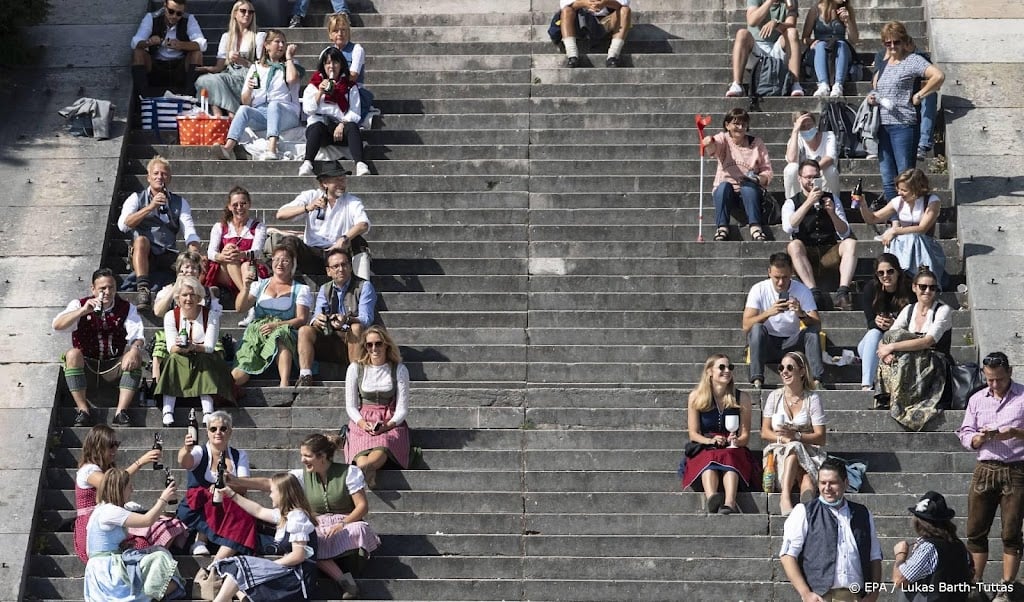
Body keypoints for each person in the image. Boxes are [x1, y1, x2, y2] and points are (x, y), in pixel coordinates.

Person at [229, 433, 380, 599]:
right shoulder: (302, 476)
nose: (302, 460)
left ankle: (343, 573)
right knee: (312, 539)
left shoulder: (349, 472)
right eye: (302, 455)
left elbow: (362, 507)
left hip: (347, 523)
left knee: (358, 529)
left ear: (322, 456)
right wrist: (236, 481)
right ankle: (345, 581)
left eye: (307, 456)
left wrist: (342, 524)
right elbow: (271, 483)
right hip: (318, 524)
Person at [958, 351, 1024, 597]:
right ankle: (975, 583)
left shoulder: (1022, 396)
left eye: (999, 379)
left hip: (1016, 468)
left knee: (1011, 531)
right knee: (975, 529)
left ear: (1009, 373)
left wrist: (1015, 433)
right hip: (985, 467)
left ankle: (1006, 587)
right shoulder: (977, 399)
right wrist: (977, 438)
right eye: (989, 380)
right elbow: (965, 431)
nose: (994, 385)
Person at [74, 425, 187, 564]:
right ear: (98, 446)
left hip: (112, 523)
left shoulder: (105, 470)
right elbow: (114, 484)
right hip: (93, 530)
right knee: (145, 540)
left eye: (117, 444)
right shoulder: (88, 470)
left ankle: (153, 566)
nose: (115, 449)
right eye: (111, 445)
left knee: (167, 524)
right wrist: (140, 462)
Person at [779, 457, 883, 602]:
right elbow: (787, 556)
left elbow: (875, 557)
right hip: (821, 596)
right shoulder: (803, 511)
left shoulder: (863, 513)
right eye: (822, 482)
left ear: (846, 483)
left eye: (832, 483)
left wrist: (873, 593)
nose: (826, 488)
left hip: (856, 596)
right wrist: (806, 593)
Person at [53, 268, 147, 427]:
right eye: (102, 288)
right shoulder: (79, 304)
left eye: (111, 287)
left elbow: (137, 336)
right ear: (93, 289)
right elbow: (57, 325)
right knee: (72, 354)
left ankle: (121, 412)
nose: (107, 292)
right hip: (87, 366)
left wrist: (135, 349)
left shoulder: (126, 307)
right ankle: (83, 410)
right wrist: (82, 311)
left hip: (114, 365)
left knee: (135, 353)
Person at [207, 474, 319, 602]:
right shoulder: (286, 515)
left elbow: (298, 555)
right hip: (288, 573)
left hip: (298, 580)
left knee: (240, 569)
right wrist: (231, 493)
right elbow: (258, 511)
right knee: (237, 575)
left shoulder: (298, 517)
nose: (270, 495)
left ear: (282, 493)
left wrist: (268, 566)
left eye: (272, 492)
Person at [867, 20, 945, 201]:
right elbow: (876, 88)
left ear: (904, 41)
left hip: (903, 125)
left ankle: (912, 217)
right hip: (882, 125)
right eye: (888, 43)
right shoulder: (884, 63)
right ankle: (896, 220)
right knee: (888, 178)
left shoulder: (912, 60)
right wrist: (873, 97)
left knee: (906, 177)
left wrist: (920, 94)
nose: (892, 46)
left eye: (896, 42)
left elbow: (938, 76)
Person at [83, 468, 184, 602]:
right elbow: (147, 520)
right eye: (129, 486)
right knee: (160, 556)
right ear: (120, 489)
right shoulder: (110, 511)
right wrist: (163, 499)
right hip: (107, 572)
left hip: (100, 568)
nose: (132, 489)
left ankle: (156, 592)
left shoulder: (101, 509)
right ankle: (153, 594)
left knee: (153, 554)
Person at [116, 155, 202, 309]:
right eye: (155, 173)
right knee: (141, 240)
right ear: (148, 177)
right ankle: (143, 288)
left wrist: (194, 250)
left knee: (190, 263)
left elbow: (189, 230)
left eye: (164, 174)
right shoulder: (136, 198)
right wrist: (150, 207)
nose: (159, 177)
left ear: (169, 178)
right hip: (144, 252)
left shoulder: (180, 202)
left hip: (167, 252)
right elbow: (123, 225)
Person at [875, 266, 952, 430]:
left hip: (935, 361)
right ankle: (889, 397)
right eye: (923, 287)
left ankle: (900, 400)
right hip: (911, 358)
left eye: (932, 287)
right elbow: (888, 336)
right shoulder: (909, 309)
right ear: (914, 287)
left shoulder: (943, 310)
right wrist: (883, 351)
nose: (927, 291)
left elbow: (927, 341)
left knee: (899, 349)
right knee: (892, 340)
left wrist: (891, 346)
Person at [176, 411, 258, 559]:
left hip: (227, 505)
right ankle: (202, 541)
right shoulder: (199, 451)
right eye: (213, 429)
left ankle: (214, 553)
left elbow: (243, 485)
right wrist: (186, 449)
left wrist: (225, 484)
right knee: (210, 496)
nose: (218, 432)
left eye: (223, 428)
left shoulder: (239, 455)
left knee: (234, 507)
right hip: (197, 507)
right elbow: (185, 462)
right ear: (207, 432)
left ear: (230, 431)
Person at [680, 354, 756, 515]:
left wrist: (736, 440)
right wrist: (710, 441)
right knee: (709, 457)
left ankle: (729, 502)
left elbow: (745, 436)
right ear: (709, 371)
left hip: (732, 445)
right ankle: (712, 498)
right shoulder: (696, 397)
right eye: (721, 367)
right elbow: (693, 434)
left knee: (730, 455)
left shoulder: (742, 397)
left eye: (730, 367)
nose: (727, 371)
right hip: (706, 443)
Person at [154, 276, 234, 426]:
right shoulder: (171, 316)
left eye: (193, 295)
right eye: (184, 295)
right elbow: (171, 347)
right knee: (173, 359)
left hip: (205, 356)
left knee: (204, 359)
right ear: (178, 298)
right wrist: (184, 347)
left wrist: (194, 347)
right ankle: (168, 410)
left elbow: (209, 346)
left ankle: (207, 410)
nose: (188, 299)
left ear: (199, 297)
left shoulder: (211, 315)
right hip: (181, 356)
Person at [232, 245, 313, 390]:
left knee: (280, 336)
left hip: (285, 329)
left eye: (285, 260)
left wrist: (277, 325)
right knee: (244, 362)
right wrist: (245, 287)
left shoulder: (301, 289)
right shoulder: (260, 285)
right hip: (258, 330)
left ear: (293, 264)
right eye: (277, 259)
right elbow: (240, 308)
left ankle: (284, 383)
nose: (280, 264)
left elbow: (301, 319)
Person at [782, 159, 857, 311]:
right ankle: (813, 293)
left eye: (815, 177)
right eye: (808, 177)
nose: (812, 181)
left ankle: (842, 293)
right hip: (806, 252)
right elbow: (788, 227)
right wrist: (808, 203)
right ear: (800, 178)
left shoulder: (832, 199)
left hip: (829, 250)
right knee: (793, 245)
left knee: (851, 243)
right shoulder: (792, 202)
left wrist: (832, 213)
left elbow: (845, 232)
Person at [742, 252, 825, 390]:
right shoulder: (759, 289)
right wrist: (768, 313)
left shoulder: (802, 290)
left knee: (811, 332)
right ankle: (757, 378)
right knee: (756, 328)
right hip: (767, 343)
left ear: (792, 273)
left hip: (792, 343)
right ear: (769, 272)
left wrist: (801, 314)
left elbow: (817, 325)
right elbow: (746, 326)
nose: (781, 282)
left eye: (785, 278)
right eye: (776, 278)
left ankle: (816, 380)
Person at [218, 29, 302, 161]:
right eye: (277, 42)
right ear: (266, 45)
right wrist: (250, 89)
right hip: (262, 112)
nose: (281, 45)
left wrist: (289, 58)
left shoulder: (289, 65)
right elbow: (245, 102)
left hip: (286, 112)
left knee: (274, 105)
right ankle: (228, 148)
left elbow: (292, 79)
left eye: (283, 42)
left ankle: (272, 148)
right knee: (244, 110)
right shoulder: (255, 68)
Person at [296, 248, 378, 385]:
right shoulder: (324, 289)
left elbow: (367, 318)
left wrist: (347, 319)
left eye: (344, 264)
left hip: (354, 338)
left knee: (356, 327)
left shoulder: (364, 286)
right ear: (328, 271)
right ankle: (305, 375)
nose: (341, 269)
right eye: (336, 266)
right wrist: (319, 321)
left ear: (350, 267)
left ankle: (355, 377)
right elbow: (316, 316)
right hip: (330, 337)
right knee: (305, 330)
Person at [343, 326, 411, 489]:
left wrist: (388, 425)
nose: (374, 348)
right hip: (363, 418)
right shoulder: (355, 368)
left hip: (389, 419)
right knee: (360, 453)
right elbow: (351, 405)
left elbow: (402, 408)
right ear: (365, 347)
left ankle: (362, 474)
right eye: (369, 344)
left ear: (386, 345)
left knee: (383, 446)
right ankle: (367, 471)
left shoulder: (399, 369)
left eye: (378, 344)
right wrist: (361, 423)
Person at [761, 352, 827, 516]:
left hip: (809, 451)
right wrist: (784, 438)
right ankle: (797, 501)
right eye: (781, 368)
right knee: (793, 449)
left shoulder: (812, 398)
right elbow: (764, 431)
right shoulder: (774, 397)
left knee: (797, 451)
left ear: (802, 371)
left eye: (790, 367)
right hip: (778, 449)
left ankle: (791, 500)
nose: (784, 371)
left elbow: (821, 437)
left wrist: (796, 436)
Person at [858, 167, 946, 287]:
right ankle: (897, 275)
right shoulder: (898, 201)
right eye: (898, 189)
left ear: (916, 189)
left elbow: (922, 229)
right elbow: (872, 219)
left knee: (914, 238)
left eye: (904, 190)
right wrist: (862, 204)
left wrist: (895, 231)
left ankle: (913, 274)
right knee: (895, 240)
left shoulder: (932, 201)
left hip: (926, 246)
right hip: (902, 247)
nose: (899, 193)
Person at [276, 165, 370, 275]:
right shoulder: (311, 195)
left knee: (358, 241)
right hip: (311, 253)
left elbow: (363, 224)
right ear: (324, 183)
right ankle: (285, 283)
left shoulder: (352, 201)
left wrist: (344, 238)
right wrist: (307, 208)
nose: (342, 184)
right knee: (289, 242)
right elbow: (280, 214)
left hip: (338, 253)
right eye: (337, 180)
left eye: (343, 180)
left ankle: (363, 287)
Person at [702, 108, 773, 242]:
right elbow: (714, 147)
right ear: (727, 125)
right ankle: (722, 228)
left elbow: (767, 172)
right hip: (727, 194)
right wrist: (709, 142)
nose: (740, 128)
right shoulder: (723, 138)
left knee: (747, 186)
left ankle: (755, 226)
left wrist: (757, 179)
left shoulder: (757, 143)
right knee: (723, 187)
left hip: (750, 193)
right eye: (736, 124)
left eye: (744, 124)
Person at [299, 46, 368, 178]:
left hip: (341, 128)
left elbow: (355, 112)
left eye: (335, 62)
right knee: (316, 127)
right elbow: (308, 109)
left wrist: (342, 124)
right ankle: (308, 162)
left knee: (353, 127)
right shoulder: (314, 84)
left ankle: (360, 163)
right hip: (321, 129)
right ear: (323, 66)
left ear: (341, 64)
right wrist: (320, 92)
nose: (332, 66)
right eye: (328, 63)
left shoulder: (349, 86)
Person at [892, 491, 973, 602]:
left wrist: (900, 555)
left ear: (918, 522)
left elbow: (899, 580)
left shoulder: (928, 548)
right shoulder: (960, 546)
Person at [194, 1, 265, 116]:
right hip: (229, 74)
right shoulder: (226, 37)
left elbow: (261, 66)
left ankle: (231, 114)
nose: (247, 14)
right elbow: (220, 67)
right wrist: (208, 69)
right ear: (235, 14)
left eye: (251, 12)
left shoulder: (258, 36)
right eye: (243, 11)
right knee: (203, 80)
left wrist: (241, 61)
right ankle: (220, 116)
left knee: (215, 81)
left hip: (247, 77)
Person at [857, 253, 914, 390]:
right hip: (872, 345)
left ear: (898, 272)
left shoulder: (909, 289)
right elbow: (870, 323)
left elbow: (913, 327)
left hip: (899, 344)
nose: (885, 276)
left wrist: (894, 325)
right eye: (880, 273)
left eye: (890, 271)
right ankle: (867, 385)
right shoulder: (871, 289)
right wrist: (877, 322)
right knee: (874, 333)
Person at [726, 0, 803, 97]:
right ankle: (737, 84)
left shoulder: (790, 2)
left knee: (792, 32)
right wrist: (770, 1)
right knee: (742, 33)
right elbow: (752, 21)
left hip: (777, 48)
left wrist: (776, 23)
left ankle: (795, 83)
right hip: (756, 48)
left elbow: (791, 24)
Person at [130, 0, 206, 96]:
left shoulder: (189, 19)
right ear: (164, 6)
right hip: (156, 66)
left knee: (197, 53)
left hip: (180, 67)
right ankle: (142, 98)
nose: (174, 16)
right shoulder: (152, 17)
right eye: (171, 11)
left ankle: (191, 96)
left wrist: (181, 45)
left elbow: (202, 44)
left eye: (179, 13)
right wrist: (148, 42)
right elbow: (135, 42)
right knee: (138, 53)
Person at [203, 186, 269, 295]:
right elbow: (211, 252)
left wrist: (241, 254)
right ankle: (246, 293)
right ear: (229, 207)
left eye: (243, 204)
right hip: (224, 271)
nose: (239, 207)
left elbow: (257, 251)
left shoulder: (258, 227)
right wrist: (222, 256)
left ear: (249, 204)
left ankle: (243, 292)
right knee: (229, 250)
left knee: (244, 265)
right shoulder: (219, 227)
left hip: (248, 268)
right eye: (235, 205)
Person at [801, 0, 858, 97]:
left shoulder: (848, 10)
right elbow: (804, 38)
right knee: (821, 45)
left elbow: (854, 39)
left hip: (840, 50)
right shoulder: (816, 10)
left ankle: (838, 84)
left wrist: (847, 21)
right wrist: (812, 42)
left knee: (841, 44)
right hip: (820, 50)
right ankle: (823, 84)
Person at [325, 12, 374, 121]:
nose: (340, 33)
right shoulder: (327, 52)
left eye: (343, 30)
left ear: (348, 32)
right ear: (330, 34)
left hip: (353, 91)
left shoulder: (357, 49)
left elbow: (353, 75)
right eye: (335, 31)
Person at [558, 0, 632, 68]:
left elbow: (623, 3)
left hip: (607, 20)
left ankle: (613, 56)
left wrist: (605, 2)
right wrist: (584, 3)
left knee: (625, 10)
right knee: (566, 10)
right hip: (581, 21)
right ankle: (572, 56)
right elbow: (564, 4)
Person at [784, 111, 839, 199]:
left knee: (831, 170)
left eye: (809, 124)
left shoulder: (828, 136)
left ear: (814, 124)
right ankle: (793, 203)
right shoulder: (795, 140)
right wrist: (795, 132)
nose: (807, 128)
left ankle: (833, 202)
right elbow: (791, 159)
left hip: (821, 177)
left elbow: (830, 157)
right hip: (803, 180)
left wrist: (813, 173)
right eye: (802, 126)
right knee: (791, 169)